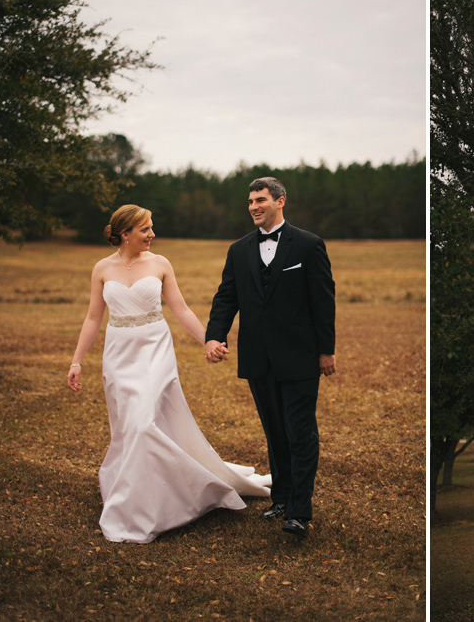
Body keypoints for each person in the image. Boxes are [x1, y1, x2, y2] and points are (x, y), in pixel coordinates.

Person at [67, 205, 272, 544]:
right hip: (118, 354)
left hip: (155, 351)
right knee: (129, 427)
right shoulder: (101, 269)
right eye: (145, 229)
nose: (152, 234)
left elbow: (180, 308)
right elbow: (92, 318)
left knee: (144, 421)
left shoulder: (160, 264)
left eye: (151, 228)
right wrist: (77, 361)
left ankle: (153, 506)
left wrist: (209, 339)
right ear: (125, 233)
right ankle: (142, 496)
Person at [204, 177, 336, 540]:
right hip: (257, 357)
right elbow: (226, 298)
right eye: (249, 201)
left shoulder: (309, 245)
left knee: (300, 433)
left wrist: (327, 350)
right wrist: (215, 335)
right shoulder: (239, 250)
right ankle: (280, 497)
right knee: (275, 431)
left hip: (300, 357)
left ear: (280, 202)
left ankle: (298, 512)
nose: (253, 206)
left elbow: (323, 301)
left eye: (260, 200)